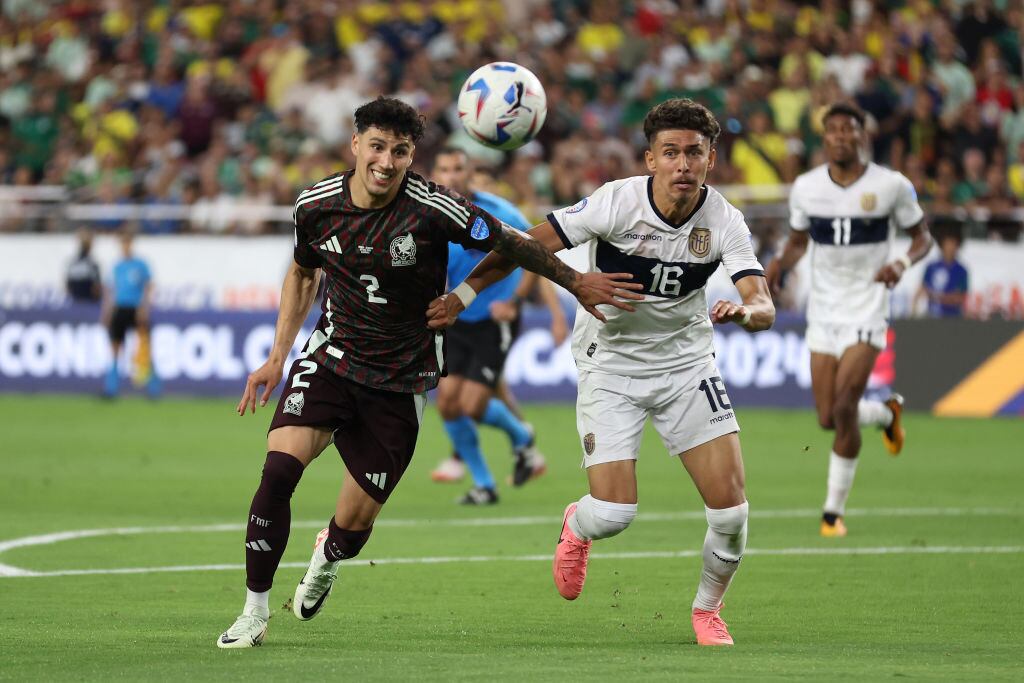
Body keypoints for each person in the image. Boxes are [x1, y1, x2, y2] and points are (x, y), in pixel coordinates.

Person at [216, 97, 641, 649]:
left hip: (401, 378)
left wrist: (572, 281)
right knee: (278, 473)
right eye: (377, 146)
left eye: (400, 150)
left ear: (411, 154)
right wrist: (279, 353)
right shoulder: (315, 205)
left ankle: (327, 557)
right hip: (332, 358)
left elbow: (513, 243)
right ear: (355, 145)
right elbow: (302, 272)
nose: (387, 161)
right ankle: (253, 611)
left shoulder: (434, 207)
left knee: (353, 526)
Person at [429, 98, 776, 646]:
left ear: (711, 160)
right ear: (650, 159)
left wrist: (747, 312)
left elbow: (763, 303)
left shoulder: (725, 220)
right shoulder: (617, 203)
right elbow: (523, 245)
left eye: (694, 153)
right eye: (671, 153)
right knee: (613, 512)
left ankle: (707, 610)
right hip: (610, 364)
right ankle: (576, 524)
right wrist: (466, 292)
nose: (683, 164)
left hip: (686, 364)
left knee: (731, 513)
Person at [765, 103, 933, 538]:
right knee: (827, 418)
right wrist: (780, 263)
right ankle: (884, 413)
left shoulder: (891, 185)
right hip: (823, 309)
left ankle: (831, 514)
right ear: (824, 139)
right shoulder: (805, 188)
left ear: (862, 134)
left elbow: (923, 237)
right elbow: (800, 241)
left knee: (842, 408)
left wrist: (899, 262)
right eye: (833, 130)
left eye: (849, 129)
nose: (841, 136)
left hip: (867, 305)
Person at [429, 147, 567, 504]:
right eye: (444, 168)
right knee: (446, 403)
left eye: (458, 167)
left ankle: (522, 437)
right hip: (456, 317)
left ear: (469, 172)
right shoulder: (432, 215)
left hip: (495, 320)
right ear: (436, 173)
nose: (451, 174)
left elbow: (537, 258)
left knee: (474, 404)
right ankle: (484, 485)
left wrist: (517, 302)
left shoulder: (501, 213)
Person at [101, 229, 159, 398]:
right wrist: (107, 311)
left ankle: (153, 387)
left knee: (144, 346)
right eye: (122, 243)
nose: (125, 246)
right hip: (120, 309)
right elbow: (110, 291)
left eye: (127, 243)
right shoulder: (117, 266)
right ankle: (111, 388)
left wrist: (144, 308)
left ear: (131, 244)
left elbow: (148, 287)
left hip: (135, 309)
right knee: (115, 348)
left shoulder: (140, 265)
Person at [914, 234, 969, 317]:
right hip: (932, 315)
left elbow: (960, 297)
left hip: (953, 317)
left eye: (953, 244)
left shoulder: (962, 270)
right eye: (948, 244)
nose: (950, 248)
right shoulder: (931, 267)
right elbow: (922, 289)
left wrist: (938, 297)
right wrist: (914, 305)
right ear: (942, 246)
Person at [65, 229, 102, 303]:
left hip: (79, 302)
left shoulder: (74, 263)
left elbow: (68, 286)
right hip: (84, 302)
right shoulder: (91, 264)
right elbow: (96, 287)